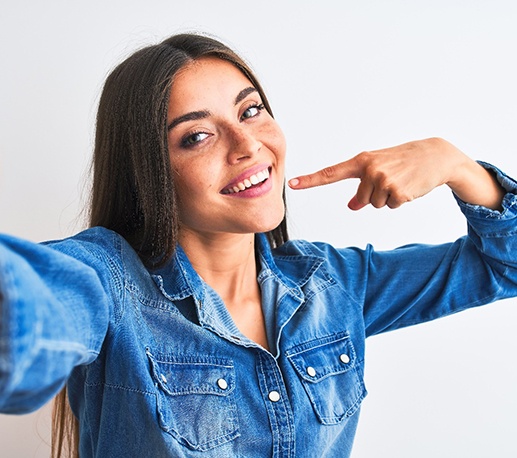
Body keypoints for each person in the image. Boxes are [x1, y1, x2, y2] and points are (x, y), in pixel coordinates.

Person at [0, 32, 516, 458]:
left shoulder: (331, 284)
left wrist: (457, 166)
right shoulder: (107, 281)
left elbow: (505, 267)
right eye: (197, 136)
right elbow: (38, 307)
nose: (248, 145)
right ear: (149, 172)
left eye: (249, 112)